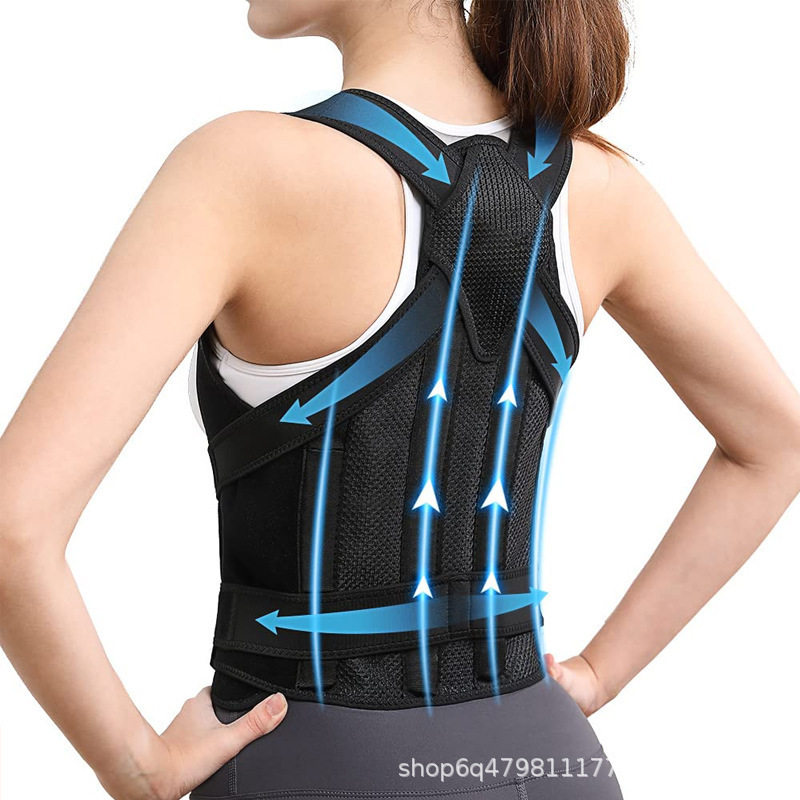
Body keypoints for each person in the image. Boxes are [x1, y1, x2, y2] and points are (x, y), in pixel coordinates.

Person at [1, 1, 799, 799]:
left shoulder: (241, 170)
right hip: (551, 761)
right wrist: (596, 674)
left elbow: (13, 527)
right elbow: (776, 442)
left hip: (314, 765)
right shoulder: (600, 188)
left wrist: (138, 768)